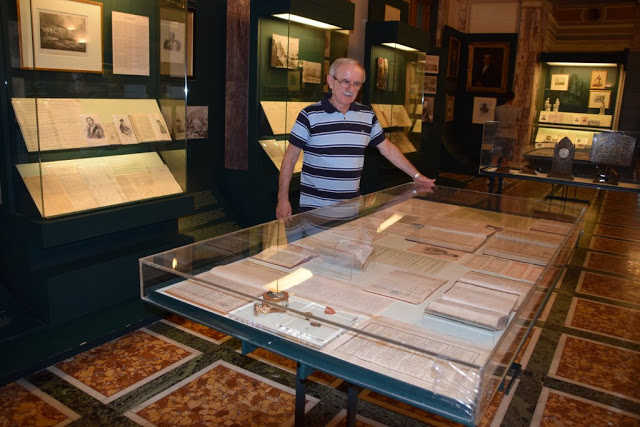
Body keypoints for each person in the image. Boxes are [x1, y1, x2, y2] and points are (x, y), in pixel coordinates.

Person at [276, 57, 435, 219]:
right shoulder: (309, 115)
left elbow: (388, 149)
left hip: (351, 210)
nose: (350, 89)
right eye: (345, 81)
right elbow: (290, 158)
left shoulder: (367, 115)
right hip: (315, 211)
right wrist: (282, 199)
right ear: (330, 81)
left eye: (357, 83)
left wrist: (416, 176)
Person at [494, 92, 520, 170]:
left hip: (499, 134)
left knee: (496, 156)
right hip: (511, 135)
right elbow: (518, 122)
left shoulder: (497, 109)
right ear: (513, 99)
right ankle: (504, 174)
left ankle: (492, 174)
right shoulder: (517, 110)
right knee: (507, 158)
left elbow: (495, 121)